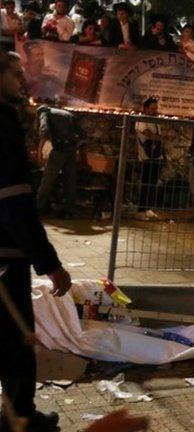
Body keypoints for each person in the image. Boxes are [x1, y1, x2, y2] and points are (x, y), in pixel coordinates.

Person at [0, 49, 71, 432]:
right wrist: (50, 264)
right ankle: (20, 421)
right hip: (5, 259)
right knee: (16, 345)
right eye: (13, 72)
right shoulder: (3, 126)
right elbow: (14, 203)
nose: (22, 79)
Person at [35, 105, 84, 217]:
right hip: (71, 150)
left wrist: (39, 151)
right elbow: (82, 133)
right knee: (70, 181)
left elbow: (44, 130)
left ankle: (38, 208)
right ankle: (69, 211)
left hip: (59, 149)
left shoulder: (44, 113)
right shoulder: (67, 113)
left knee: (47, 180)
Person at [135, 97, 164, 220]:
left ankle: (148, 208)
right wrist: (158, 138)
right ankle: (141, 210)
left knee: (152, 184)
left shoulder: (155, 121)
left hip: (156, 157)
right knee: (146, 184)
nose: (155, 111)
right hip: (146, 157)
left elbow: (157, 136)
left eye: (156, 108)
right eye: (152, 108)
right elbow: (148, 134)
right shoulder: (142, 121)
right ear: (146, 109)